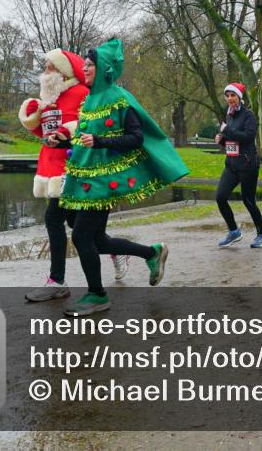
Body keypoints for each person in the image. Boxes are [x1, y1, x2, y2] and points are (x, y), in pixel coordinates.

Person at [59, 39, 189, 316]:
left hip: (103, 183)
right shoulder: (89, 99)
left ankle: (97, 295)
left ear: (104, 68)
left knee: (82, 237)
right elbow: (84, 140)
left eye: (90, 64)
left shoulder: (120, 99)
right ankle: (152, 253)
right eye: (84, 63)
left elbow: (135, 138)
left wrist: (101, 140)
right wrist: (62, 141)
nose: (84, 67)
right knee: (98, 241)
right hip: (82, 180)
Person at [19, 50, 95, 303]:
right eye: (46, 67)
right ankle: (126, 251)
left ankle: (57, 281)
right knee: (77, 225)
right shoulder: (51, 98)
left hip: (73, 166)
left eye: (51, 67)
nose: (46, 71)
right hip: (52, 165)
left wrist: (67, 132)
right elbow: (46, 132)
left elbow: (89, 125)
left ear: (65, 72)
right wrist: (33, 119)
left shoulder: (82, 94)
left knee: (53, 218)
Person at [214, 82, 262, 248]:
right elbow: (231, 138)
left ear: (239, 97)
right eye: (227, 96)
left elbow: (247, 137)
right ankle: (234, 231)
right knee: (220, 197)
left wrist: (226, 131)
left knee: (248, 200)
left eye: (233, 95)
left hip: (247, 164)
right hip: (231, 165)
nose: (230, 99)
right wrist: (221, 140)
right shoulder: (229, 115)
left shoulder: (248, 115)